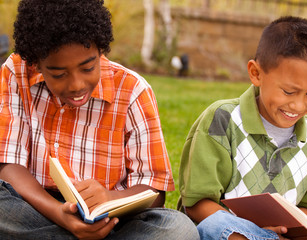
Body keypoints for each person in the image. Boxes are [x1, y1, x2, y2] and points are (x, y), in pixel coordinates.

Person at [0, 0, 199, 239]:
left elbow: (154, 193)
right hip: (37, 209)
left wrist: (109, 198)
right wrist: (59, 214)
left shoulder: (133, 90)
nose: (76, 85)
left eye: (87, 67)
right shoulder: (16, 72)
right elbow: (8, 165)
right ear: (36, 63)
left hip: (113, 221)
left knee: (178, 229)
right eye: (58, 74)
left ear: (100, 50)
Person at [178, 16, 307, 240]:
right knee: (217, 225)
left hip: (286, 236)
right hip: (230, 233)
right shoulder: (222, 120)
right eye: (288, 92)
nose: (299, 105)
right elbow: (196, 205)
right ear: (256, 73)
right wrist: (257, 232)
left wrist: (287, 230)